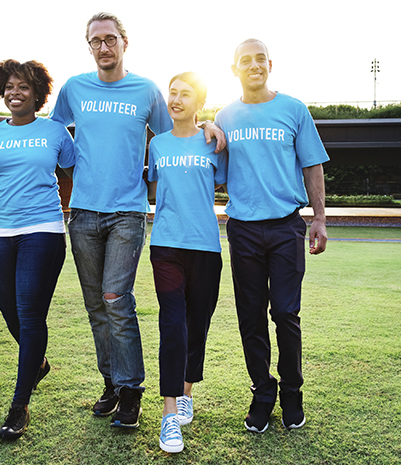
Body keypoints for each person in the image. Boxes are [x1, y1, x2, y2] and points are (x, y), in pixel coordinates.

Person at [0, 12, 225, 429]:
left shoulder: (146, 91)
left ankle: (131, 390)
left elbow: (177, 130)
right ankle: (111, 382)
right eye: (95, 41)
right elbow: (42, 130)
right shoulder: (74, 89)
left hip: (127, 212)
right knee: (94, 306)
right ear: (89, 46)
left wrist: (210, 121)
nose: (103, 47)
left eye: (110, 39)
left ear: (125, 42)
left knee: (114, 299)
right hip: (83, 214)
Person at [214, 39, 329, 433]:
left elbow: (313, 166)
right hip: (243, 229)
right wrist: (205, 129)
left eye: (259, 58)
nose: (253, 65)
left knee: (284, 312)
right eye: (244, 61)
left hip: (285, 226)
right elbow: (212, 166)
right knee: (250, 317)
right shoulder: (225, 116)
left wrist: (320, 219)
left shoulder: (293, 109)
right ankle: (263, 393)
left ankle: (292, 392)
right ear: (235, 69)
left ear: (270, 64)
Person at [0, 59, 75, 440]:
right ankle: (38, 363)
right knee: (10, 312)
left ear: (38, 93)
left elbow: (76, 173)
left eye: (24, 87)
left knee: (29, 316)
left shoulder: (56, 132)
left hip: (42, 231)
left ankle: (19, 405)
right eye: (9, 86)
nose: (15, 92)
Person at [146, 72, 227, 453]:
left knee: (198, 324)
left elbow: (227, 183)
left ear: (199, 103)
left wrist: (212, 126)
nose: (176, 99)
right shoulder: (157, 145)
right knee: (172, 323)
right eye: (172, 93)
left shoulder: (214, 142)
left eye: (185, 94)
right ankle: (167, 416)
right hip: (166, 245)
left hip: (206, 247)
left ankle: (186, 393)